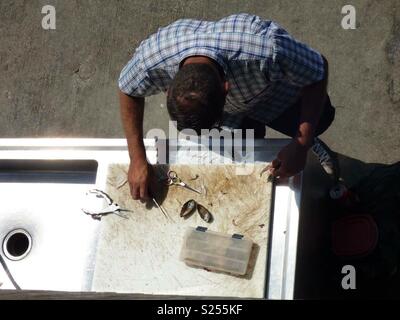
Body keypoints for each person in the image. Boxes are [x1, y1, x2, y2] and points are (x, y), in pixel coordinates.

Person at [118, 13, 336, 201]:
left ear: (226, 88)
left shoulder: (266, 49)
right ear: (168, 88)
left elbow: (318, 68)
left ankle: (311, 144)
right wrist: (137, 157)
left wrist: (301, 144)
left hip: (276, 97)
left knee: (319, 120)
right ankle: (288, 147)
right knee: (248, 149)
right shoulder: (152, 61)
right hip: (234, 115)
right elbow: (127, 89)